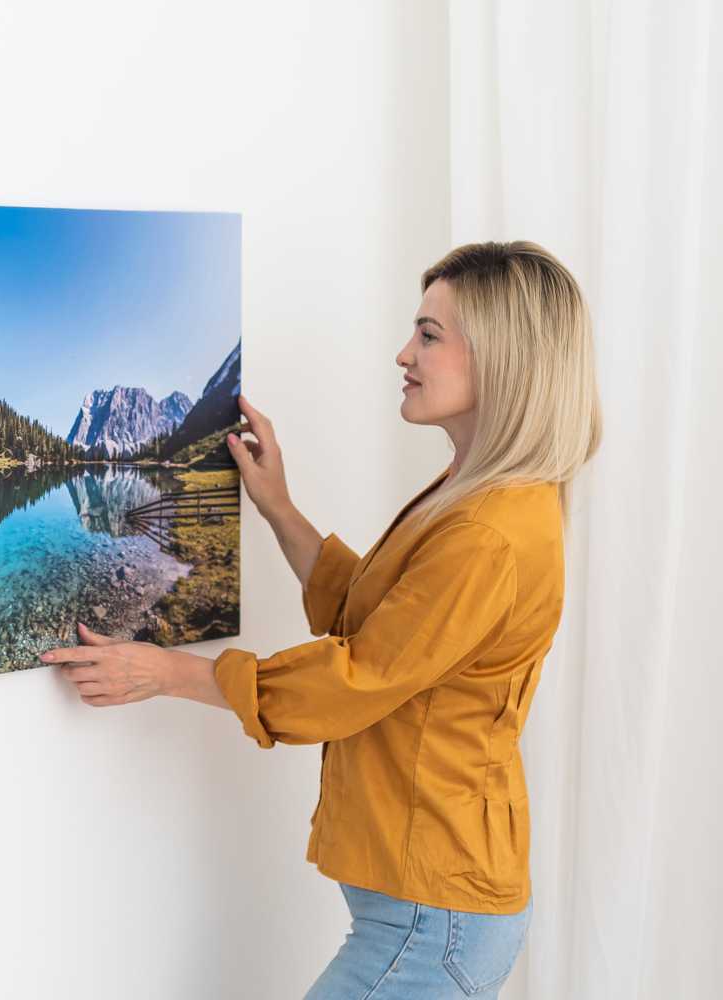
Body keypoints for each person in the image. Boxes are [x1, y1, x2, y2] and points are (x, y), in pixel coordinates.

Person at [39, 240, 601, 998]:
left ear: (503, 358)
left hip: (431, 923)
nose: (404, 352)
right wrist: (278, 507)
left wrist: (166, 671)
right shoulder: (476, 496)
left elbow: (359, 677)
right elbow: (383, 625)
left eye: (429, 335)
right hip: (432, 908)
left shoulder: (490, 531)